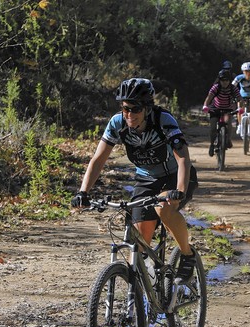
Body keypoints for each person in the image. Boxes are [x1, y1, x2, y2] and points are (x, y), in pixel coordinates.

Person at [71, 78, 199, 284]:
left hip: (175, 176)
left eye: (135, 109)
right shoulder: (118, 123)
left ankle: (187, 255)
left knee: (164, 209)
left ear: (147, 108)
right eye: (125, 109)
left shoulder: (163, 120)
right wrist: (83, 192)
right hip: (146, 179)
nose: (129, 114)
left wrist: (180, 191)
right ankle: (141, 295)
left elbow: (183, 157)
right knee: (139, 244)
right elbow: (98, 159)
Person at [202, 70, 244, 157]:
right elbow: (209, 97)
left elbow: (239, 99)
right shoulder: (216, 87)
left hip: (228, 109)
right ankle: (212, 144)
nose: (224, 82)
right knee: (213, 128)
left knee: (228, 122)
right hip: (215, 108)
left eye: (226, 80)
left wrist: (240, 108)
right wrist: (205, 106)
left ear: (229, 80)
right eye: (222, 80)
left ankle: (228, 139)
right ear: (219, 80)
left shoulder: (233, 88)